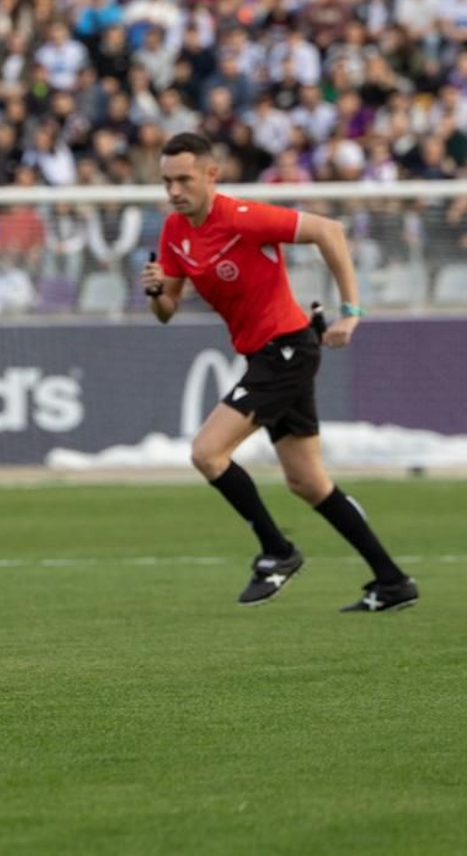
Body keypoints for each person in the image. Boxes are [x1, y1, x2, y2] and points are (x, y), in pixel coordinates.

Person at [140, 133, 417, 612]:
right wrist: (156, 291)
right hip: (268, 355)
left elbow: (329, 230)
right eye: (167, 181)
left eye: (184, 179)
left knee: (207, 453)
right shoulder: (174, 232)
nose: (174, 190)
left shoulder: (244, 218)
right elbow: (167, 310)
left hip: (286, 350)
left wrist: (351, 310)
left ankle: (278, 551)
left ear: (212, 175)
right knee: (308, 482)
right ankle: (392, 581)